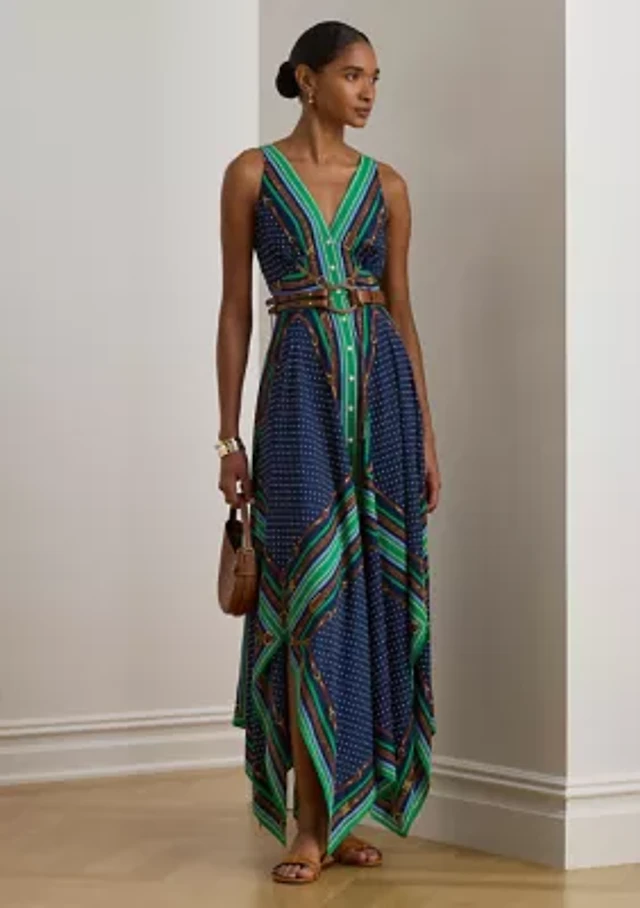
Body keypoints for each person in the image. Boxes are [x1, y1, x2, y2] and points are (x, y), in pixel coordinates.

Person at [215, 19, 441, 885]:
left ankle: (346, 812)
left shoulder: (388, 186)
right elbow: (235, 309)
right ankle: (308, 823)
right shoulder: (252, 174)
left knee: (370, 598)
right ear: (307, 80)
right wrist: (229, 436)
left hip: (383, 403)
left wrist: (426, 432)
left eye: (376, 77)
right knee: (311, 599)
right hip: (298, 399)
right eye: (353, 74)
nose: (369, 91)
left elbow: (402, 311)